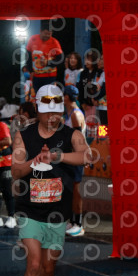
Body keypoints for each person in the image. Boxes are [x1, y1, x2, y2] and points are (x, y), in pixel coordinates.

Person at [12, 84, 90, 276]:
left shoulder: (72, 134)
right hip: (29, 209)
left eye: (56, 112)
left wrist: (59, 156)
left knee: (48, 269)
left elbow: (87, 156)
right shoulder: (24, 135)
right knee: (34, 264)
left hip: (57, 212)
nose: (53, 117)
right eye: (47, 113)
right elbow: (15, 171)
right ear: (38, 110)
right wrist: (33, 161)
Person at [62, 85, 86, 237]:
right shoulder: (70, 113)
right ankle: (72, 221)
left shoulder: (75, 115)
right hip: (70, 157)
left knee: (76, 191)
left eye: (63, 95)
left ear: (67, 97)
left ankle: (78, 224)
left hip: (76, 157)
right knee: (69, 191)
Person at [25, 21, 64, 92]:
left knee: (48, 96)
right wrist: (30, 70)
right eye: (45, 33)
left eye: (49, 34)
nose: (47, 36)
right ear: (40, 31)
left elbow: (60, 59)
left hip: (50, 76)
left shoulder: (55, 42)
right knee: (37, 95)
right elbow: (28, 56)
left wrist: (48, 63)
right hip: (36, 76)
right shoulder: (33, 39)